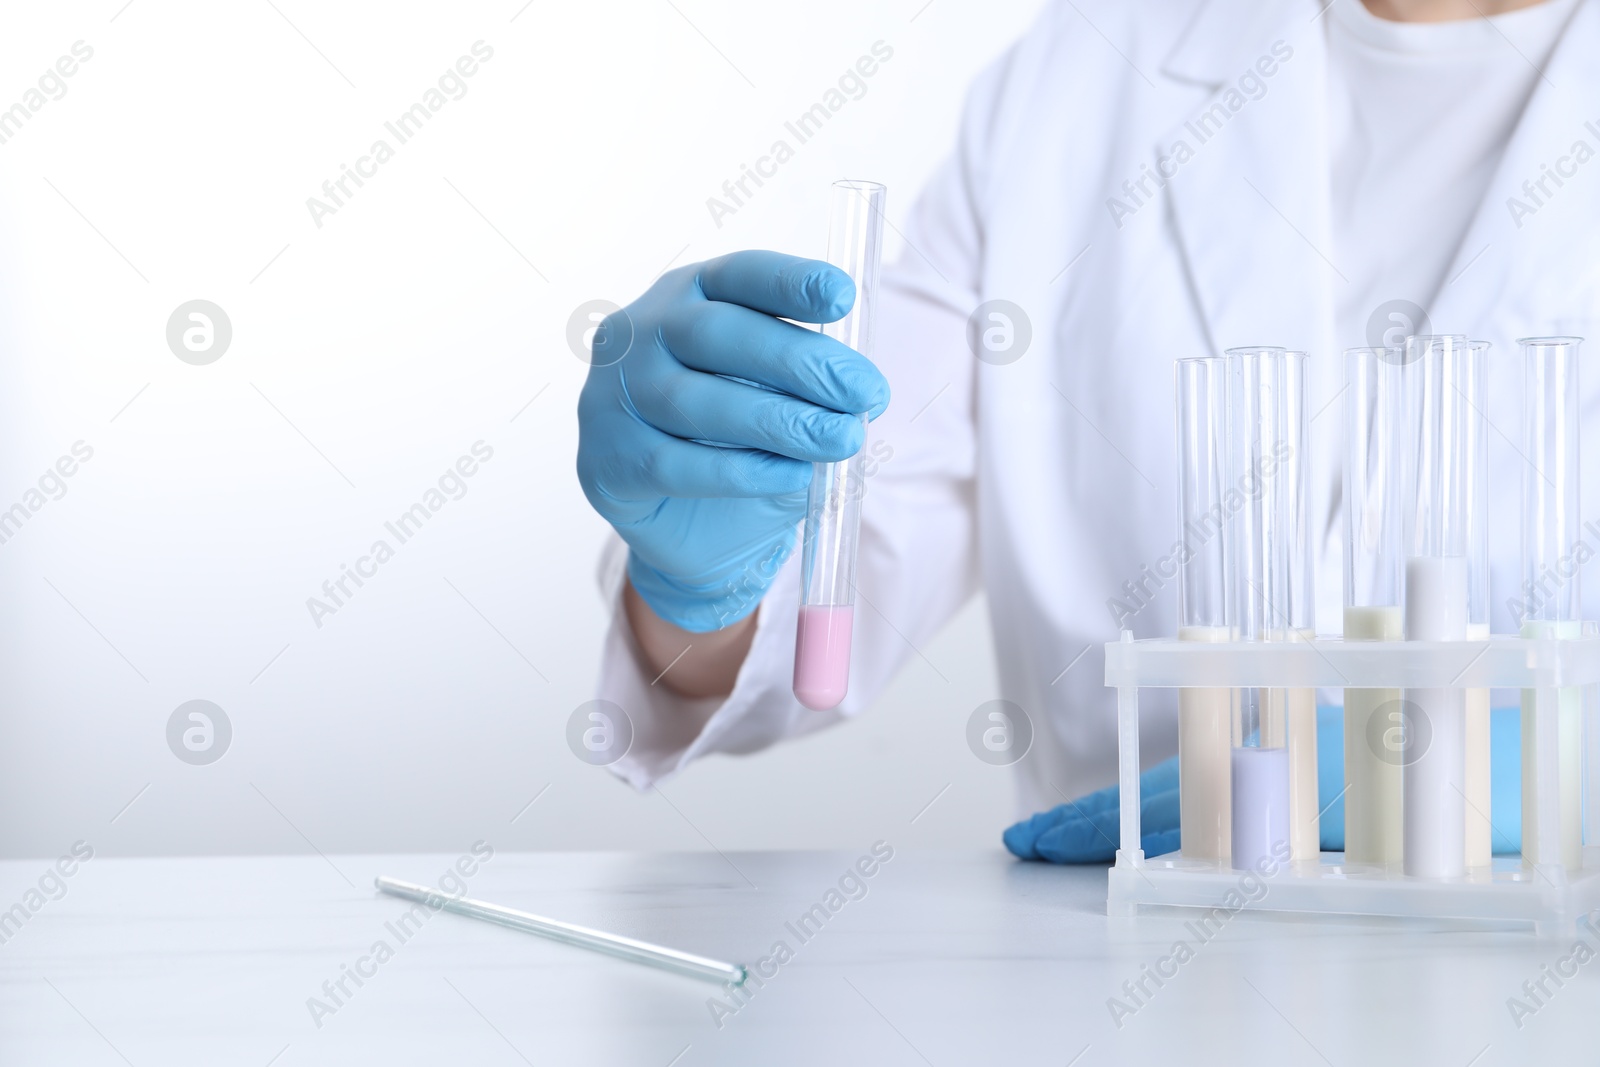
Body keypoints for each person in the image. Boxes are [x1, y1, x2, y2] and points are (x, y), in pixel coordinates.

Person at [577, 0, 1596, 861]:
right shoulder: (1078, 79)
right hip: (1130, 989)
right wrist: (699, 574)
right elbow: (829, 603)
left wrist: (1559, 775)